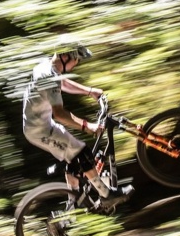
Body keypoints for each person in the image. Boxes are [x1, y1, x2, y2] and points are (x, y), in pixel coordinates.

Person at [22, 37, 133, 207]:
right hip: (40, 130)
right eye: (77, 59)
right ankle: (106, 194)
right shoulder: (48, 75)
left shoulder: (47, 66)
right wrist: (86, 125)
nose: (77, 63)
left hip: (40, 124)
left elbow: (62, 83)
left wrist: (90, 92)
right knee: (83, 152)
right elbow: (59, 113)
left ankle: (70, 210)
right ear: (66, 57)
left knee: (74, 159)